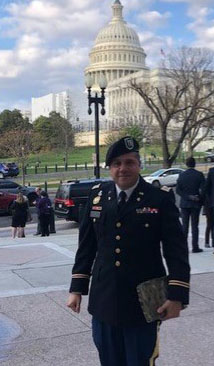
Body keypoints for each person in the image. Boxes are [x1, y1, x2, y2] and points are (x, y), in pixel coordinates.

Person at [66, 137, 190, 366]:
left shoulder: (159, 198)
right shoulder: (97, 197)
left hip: (143, 302)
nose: (123, 168)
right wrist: (76, 288)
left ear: (139, 165)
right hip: (104, 300)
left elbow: (176, 251)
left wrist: (177, 296)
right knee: (109, 360)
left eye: (129, 162)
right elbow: (86, 247)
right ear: (110, 168)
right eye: (117, 163)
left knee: (140, 360)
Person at [176, 156, 205, 253]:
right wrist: (198, 198)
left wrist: (188, 197)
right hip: (195, 203)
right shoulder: (199, 175)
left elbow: (178, 190)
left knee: (185, 226)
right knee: (195, 226)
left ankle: (184, 247)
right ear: (195, 163)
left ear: (186, 164)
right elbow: (203, 190)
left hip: (185, 203)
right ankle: (195, 246)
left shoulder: (182, 175)